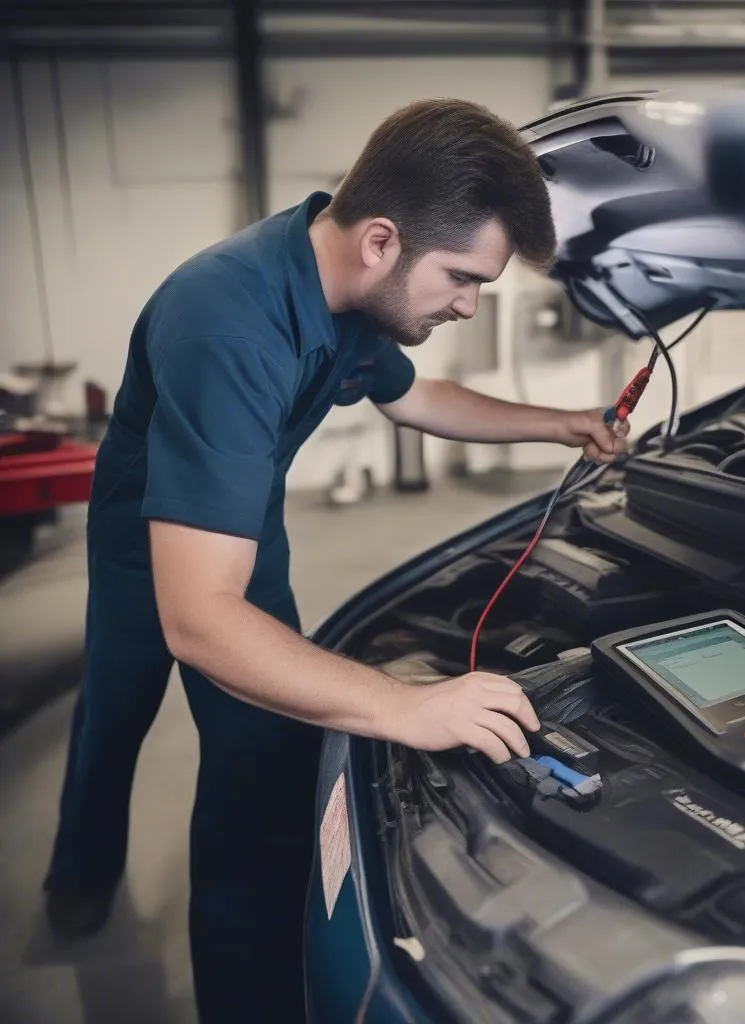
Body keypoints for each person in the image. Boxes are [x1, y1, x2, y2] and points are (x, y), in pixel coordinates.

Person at [44, 98, 629, 1021]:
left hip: (243, 524)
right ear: (383, 241)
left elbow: (422, 399)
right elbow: (198, 616)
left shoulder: (359, 297)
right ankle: (80, 874)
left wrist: (561, 423)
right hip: (143, 542)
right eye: (464, 277)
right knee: (118, 709)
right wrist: (409, 708)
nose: (470, 305)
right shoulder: (226, 319)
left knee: (260, 758)